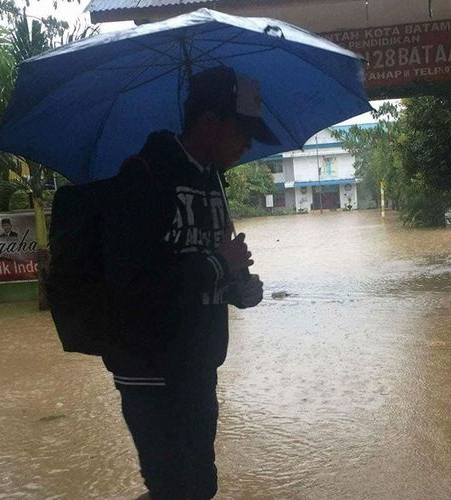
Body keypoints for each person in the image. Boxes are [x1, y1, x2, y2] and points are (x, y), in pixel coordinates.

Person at [101, 66, 276, 500]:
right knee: (175, 486)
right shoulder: (143, 176)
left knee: (199, 483)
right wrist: (218, 264)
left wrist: (240, 288)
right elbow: (130, 280)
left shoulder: (213, 181)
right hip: (150, 368)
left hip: (197, 364)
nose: (248, 144)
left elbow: (211, 271)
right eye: (243, 131)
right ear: (209, 123)